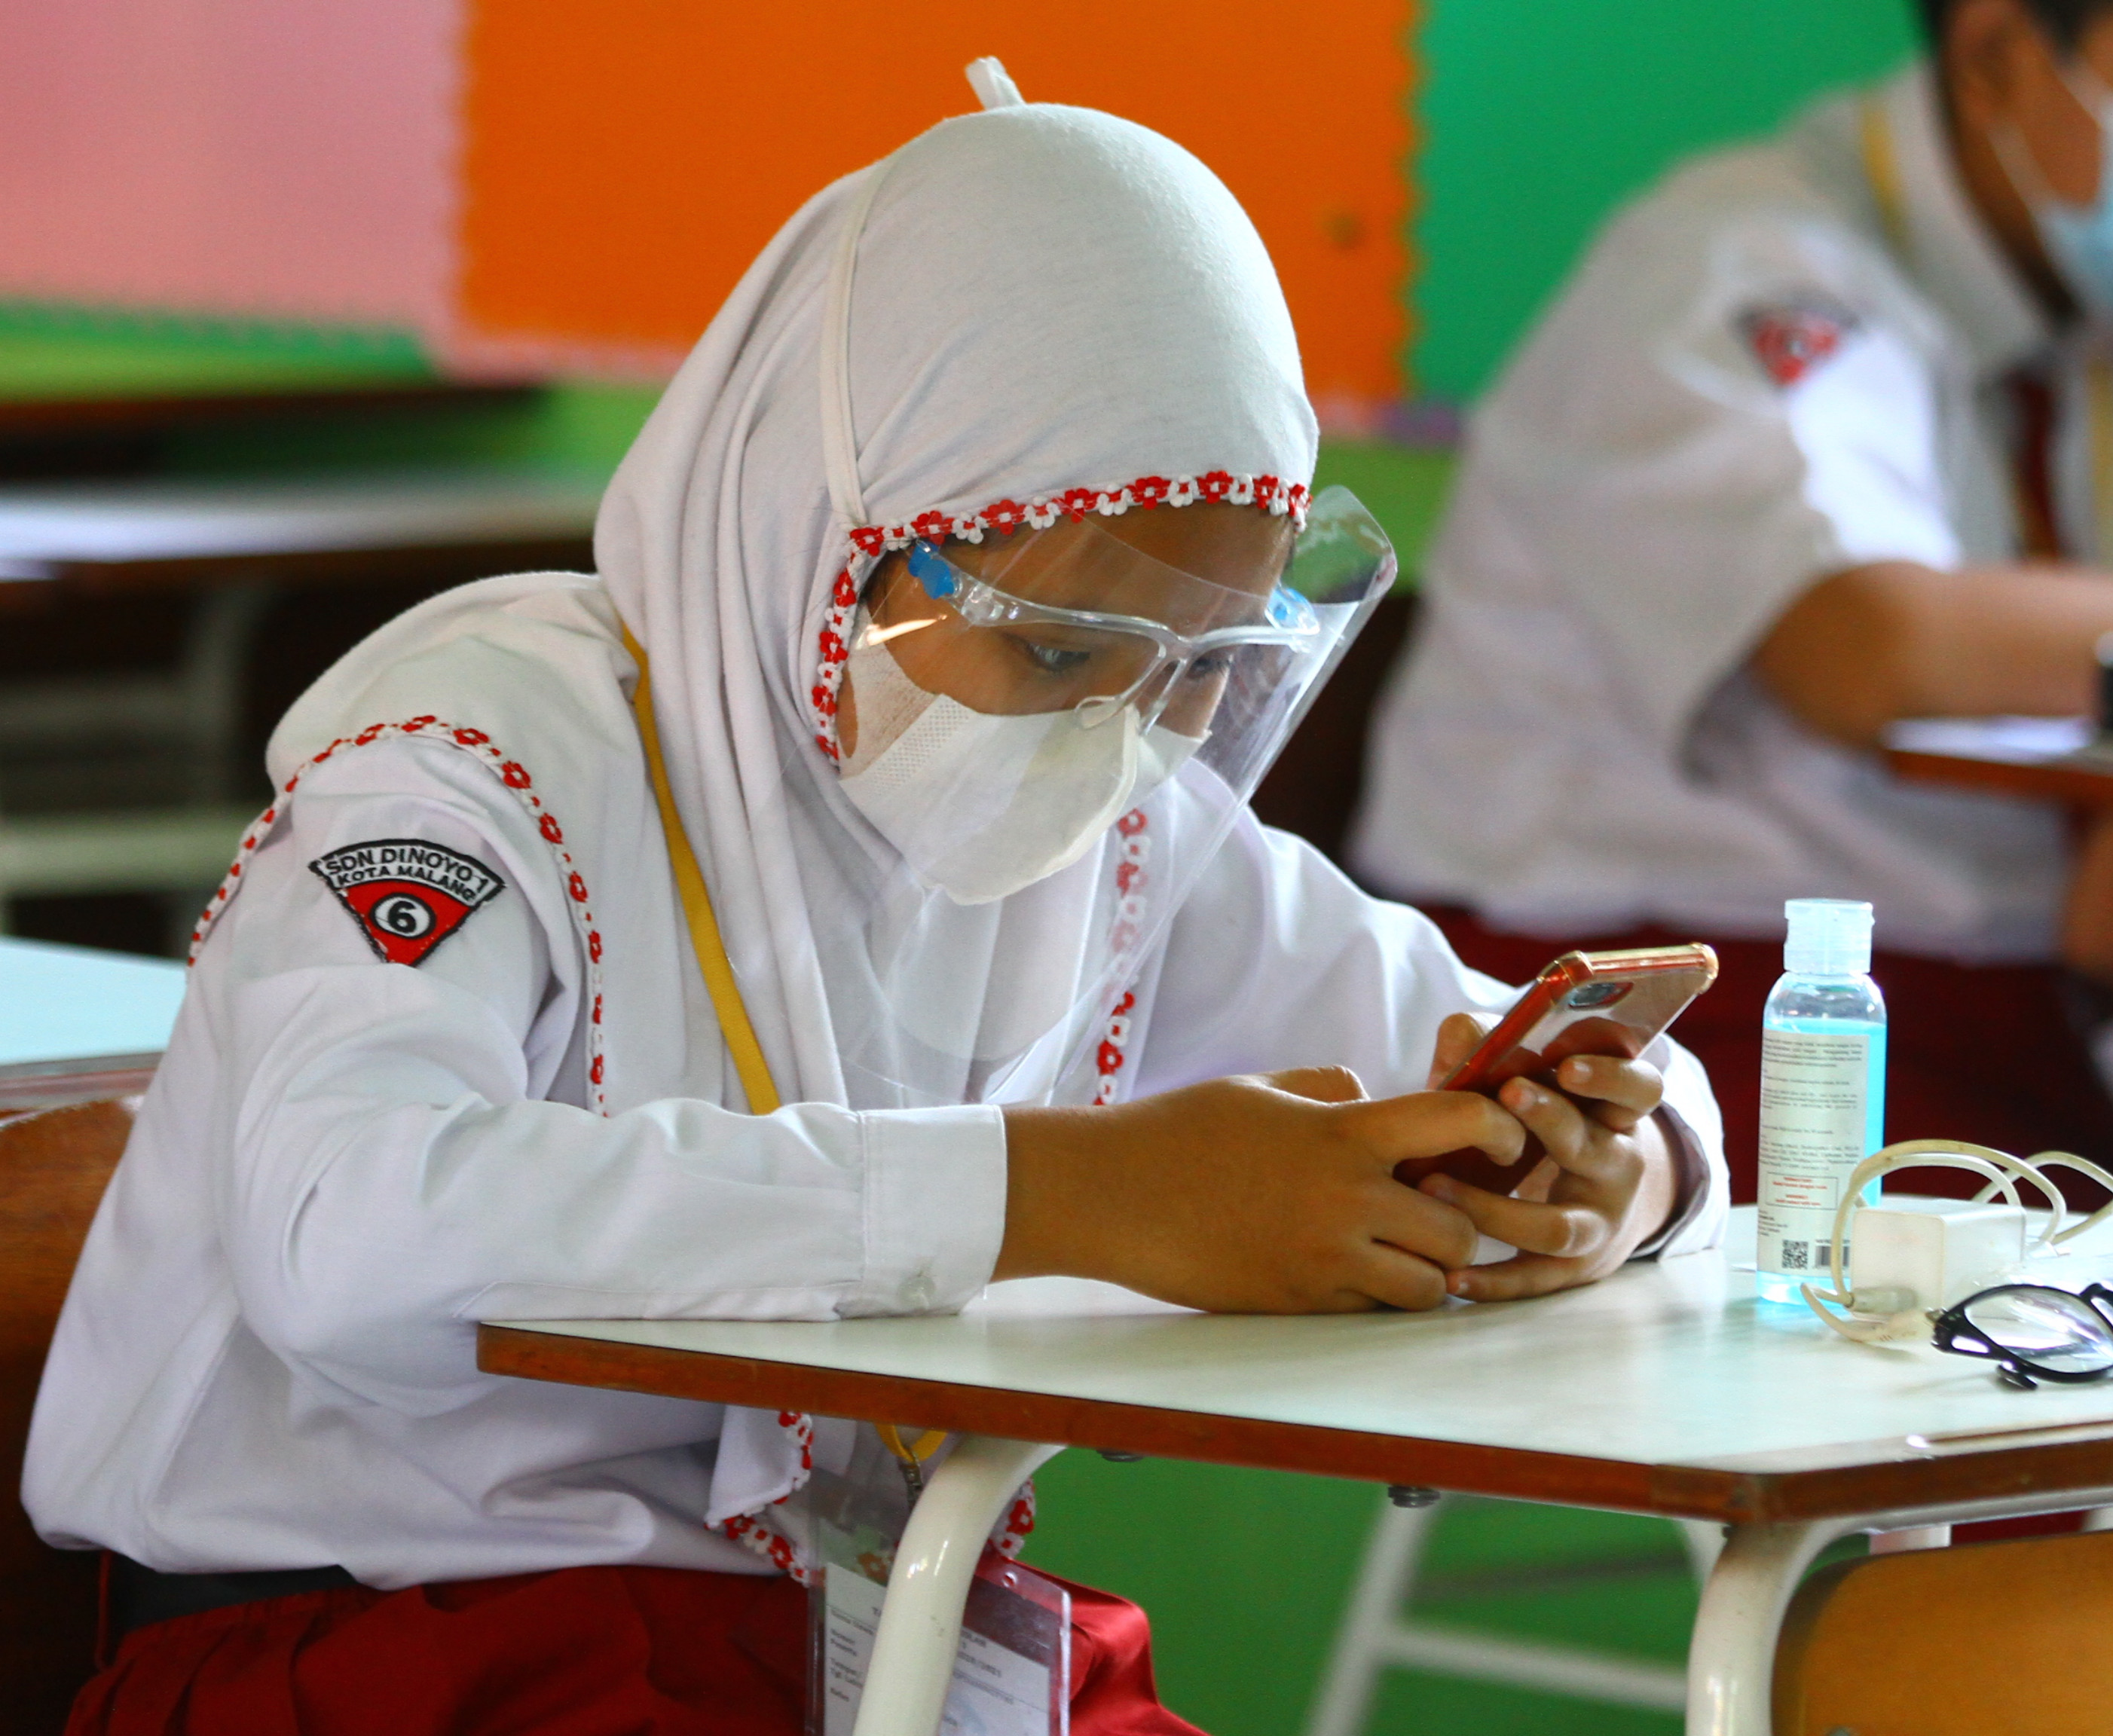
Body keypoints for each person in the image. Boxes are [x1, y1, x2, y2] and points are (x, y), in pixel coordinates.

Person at [26, 74, 1726, 1736]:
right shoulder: (485, 757)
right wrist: (1063, 1197)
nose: (1120, 734)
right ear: (832, 536)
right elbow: (351, 1226)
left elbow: (1461, 1031)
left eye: (1204, 671)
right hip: (399, 1651)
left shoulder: (1108, 813)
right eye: (1060, 650)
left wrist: (1600, 1176)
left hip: (844, 1636)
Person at [1354, 0, 2113, 1177]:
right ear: (2000, 52)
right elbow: (1876, 646)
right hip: (1683, 1002)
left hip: (2051, 994)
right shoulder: (1740, 264)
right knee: (2032, 1343)